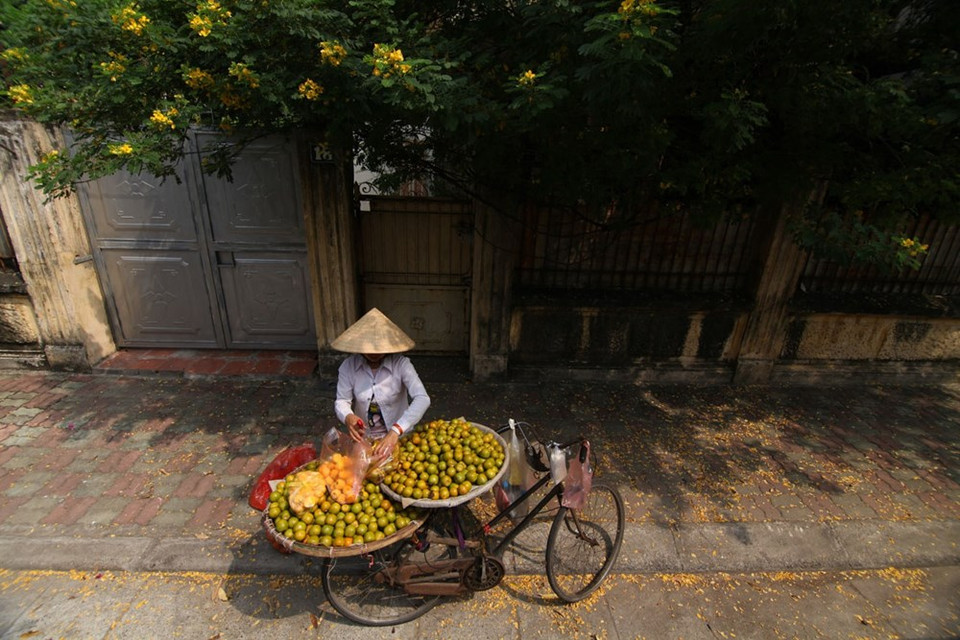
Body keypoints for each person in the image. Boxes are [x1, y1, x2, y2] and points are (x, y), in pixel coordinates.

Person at [331, 308, 431, 462]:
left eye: (379, 348)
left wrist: (396, 431)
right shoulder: (348, 366)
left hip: (399, 436)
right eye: (369, 348)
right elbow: (341, 401)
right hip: (365, 439)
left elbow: (422, 398)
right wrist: (348, 416)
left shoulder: (402, 364)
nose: (374, 353)